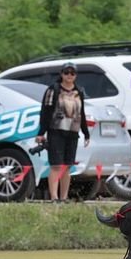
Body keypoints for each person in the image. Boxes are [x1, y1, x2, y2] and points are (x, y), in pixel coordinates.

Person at [36, 62, 90, 203]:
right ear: (61, 74)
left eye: (72, 73)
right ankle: (54, 197)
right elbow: (46, 112)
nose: (69, 76)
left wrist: (86, 132)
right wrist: (41, 132)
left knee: (67, 166)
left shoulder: (79, 91)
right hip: (56, 131)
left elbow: (81, 113)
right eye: (66, 72)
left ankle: (64, 197)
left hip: (72, 132)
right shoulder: (53, 90)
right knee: (56, 165)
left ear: (76, 75)